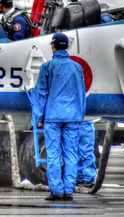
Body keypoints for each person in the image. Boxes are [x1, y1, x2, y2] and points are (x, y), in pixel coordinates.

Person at [32, 33, 86, 201]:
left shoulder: (47, 67)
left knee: (54, 155)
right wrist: (80, 114)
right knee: (71, 154)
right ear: (67, 47)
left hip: (53, 117)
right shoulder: (77, 67)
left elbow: (41, 93)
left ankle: (56, 190)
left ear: (53, 46)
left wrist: (38, 116)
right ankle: (69, 191)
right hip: (72, 117)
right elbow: (81, 94)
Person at [76, 120, 97, 188]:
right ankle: (81, 177)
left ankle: (88, 178)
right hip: (78, 125)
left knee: (86, 153)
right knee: (78, 153)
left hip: (84, 124)